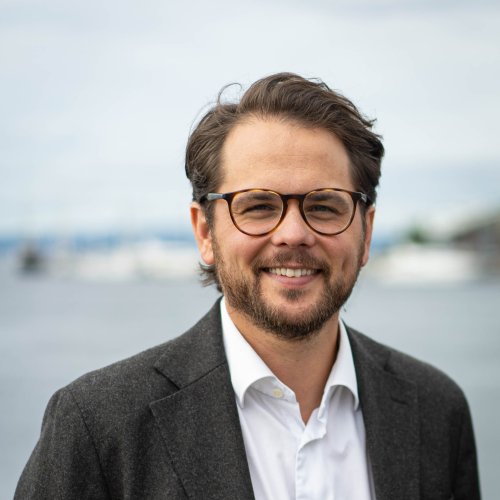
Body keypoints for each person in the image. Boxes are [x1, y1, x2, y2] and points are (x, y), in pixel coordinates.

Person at [15, 73, 480, 500]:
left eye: (324, 206)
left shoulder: (436, 412)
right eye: (257, 206)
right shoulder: (98, 427)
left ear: (367, 232)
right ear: (205, 232)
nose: (293, 234)